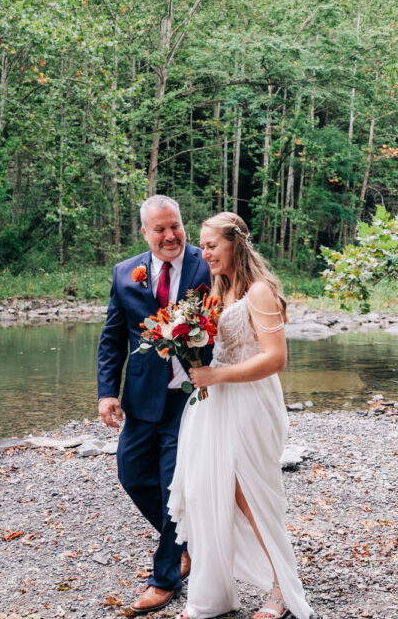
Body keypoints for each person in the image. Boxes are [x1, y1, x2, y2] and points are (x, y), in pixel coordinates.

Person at [168, 212, 315, 619]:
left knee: (250, 495)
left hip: (250, 404)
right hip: (214, 404)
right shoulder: (220, 289)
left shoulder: (261, 292)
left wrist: (217, 374)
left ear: (236, 244)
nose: (204, 252)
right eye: (203, 245)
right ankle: (213, 594)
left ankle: (281, 590)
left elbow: (276, 359)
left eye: (212, 244)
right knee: (207, 491)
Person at [97, 195, 213, 615]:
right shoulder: (126, 273)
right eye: (160, 229)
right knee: (131, 475)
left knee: (172, 486)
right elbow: (113, 338)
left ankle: (164, 578)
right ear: (144, 232)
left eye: (175, 226)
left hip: (194, 399)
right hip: (143, 397)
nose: (170, 236)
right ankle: (182, 539)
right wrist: (107, 392)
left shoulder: (208, 264)